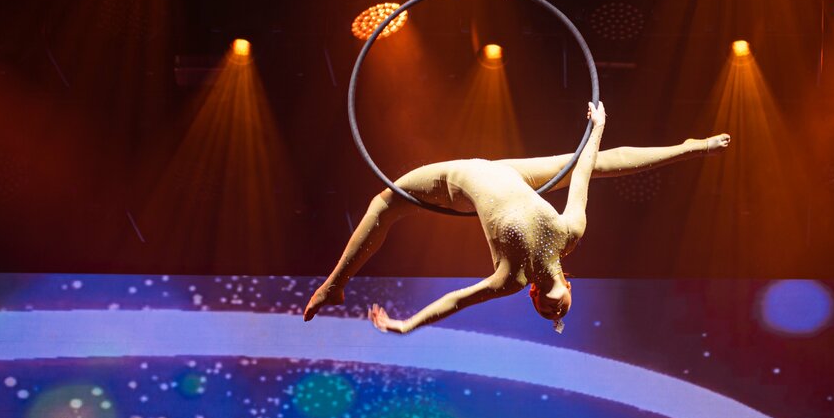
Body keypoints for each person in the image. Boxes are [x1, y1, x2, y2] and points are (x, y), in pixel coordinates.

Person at [303, 101, 730, 333]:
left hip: (459, 182)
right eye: (559, 310)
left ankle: (333, 285)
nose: (553, 309)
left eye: (547, 311)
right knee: (594, 162)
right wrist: (598, 126)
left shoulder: (518, 273)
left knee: (384, 203)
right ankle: (691, 147)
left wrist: (406, 325)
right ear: (566, 288)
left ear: (535, 296)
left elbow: (455, 301)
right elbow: (585, 169)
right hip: (506, 175)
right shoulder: (563, 239)